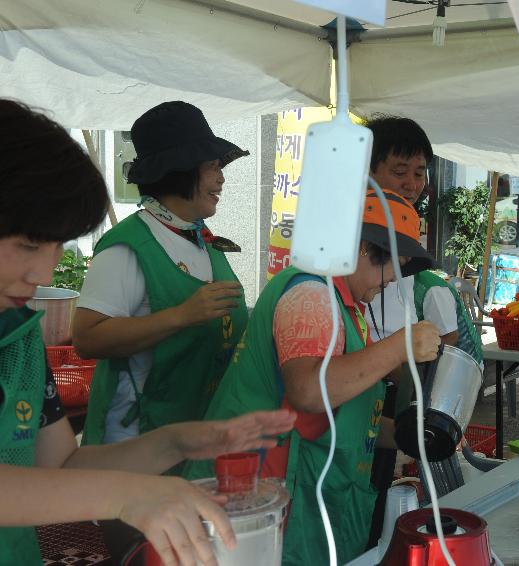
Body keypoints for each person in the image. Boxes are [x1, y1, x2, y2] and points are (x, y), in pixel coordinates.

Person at [0, 98, 297, 566]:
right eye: (28, 244)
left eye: (57, 244)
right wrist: (127, 495)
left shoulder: (19, 338)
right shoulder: (130, 247)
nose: (44, 271)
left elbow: (62, 466)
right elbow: (91, 337)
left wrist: (183, 441)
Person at [184, 188, 441, 564]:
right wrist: (399, 347)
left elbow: (348, 414)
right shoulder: (311, 292)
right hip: (260, 493)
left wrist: (406, 435)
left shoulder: (348, 306)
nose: (391, 282)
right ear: (363, 248)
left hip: (311, 496)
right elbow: (307, 390)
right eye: (393, 268)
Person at [74, 101, 249, 445]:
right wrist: (181, 316)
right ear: (181, 170)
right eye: (212, 166)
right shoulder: (127, 246)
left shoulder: (202, 240)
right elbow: (86, 339)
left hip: (198, 431)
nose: (221, 177)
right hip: (138, 438)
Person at [361, 115, 483, 546]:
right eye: (399, 171)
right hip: (349, 412)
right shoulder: (339, 254)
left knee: (380, 522)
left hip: (386, 408)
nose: (412, 183)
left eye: (419, 173)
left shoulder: (413, 255)